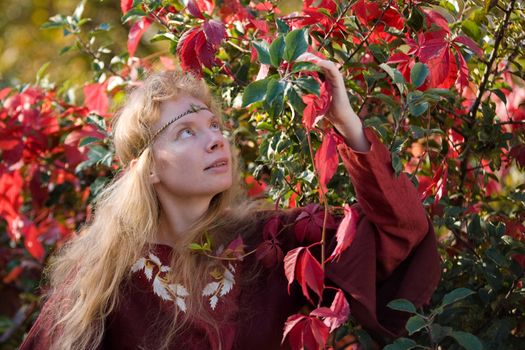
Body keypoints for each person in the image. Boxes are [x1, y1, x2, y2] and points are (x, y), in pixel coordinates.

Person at [20, 55, 441, 350]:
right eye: (186, 131)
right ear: (147, 167)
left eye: (215, 126)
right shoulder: (101, 274)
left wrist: (347, 124)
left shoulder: (272, 246)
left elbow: (402, 229)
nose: (215, 138)